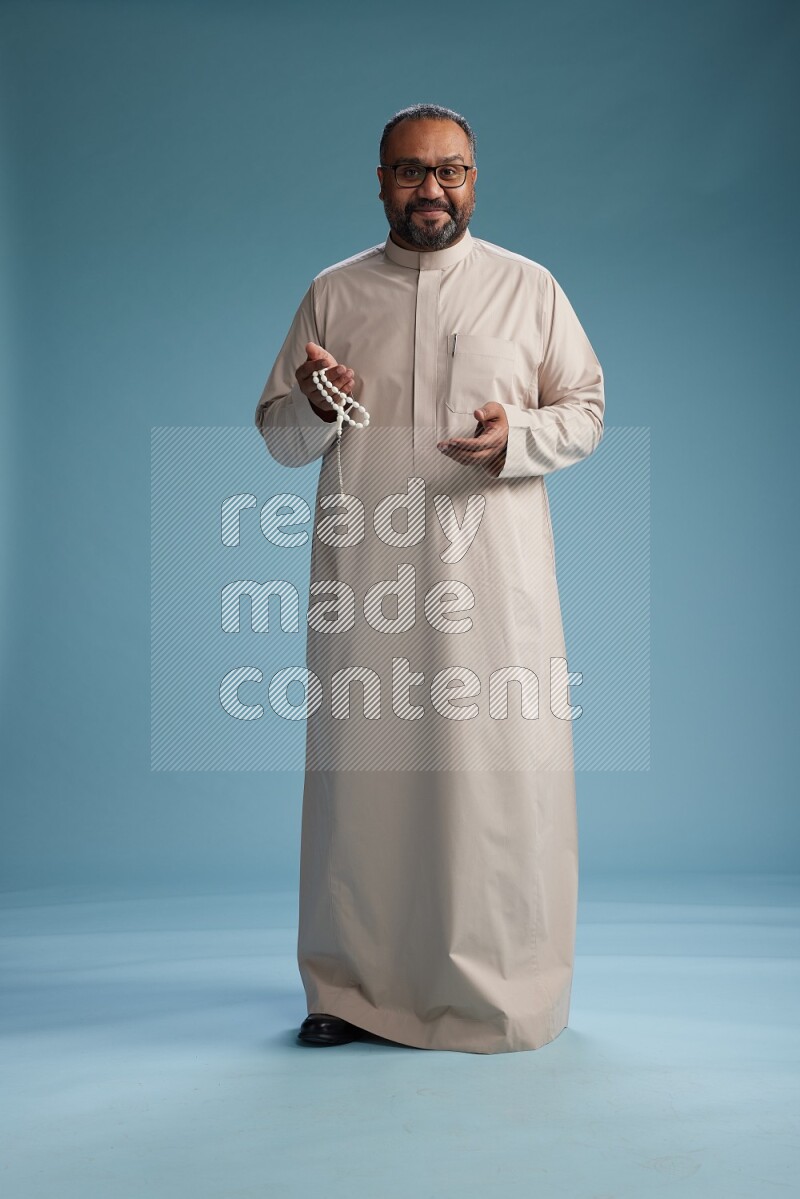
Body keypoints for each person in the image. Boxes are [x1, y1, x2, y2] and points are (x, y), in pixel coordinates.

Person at [254, 103, 605, 1053]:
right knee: (361, 787)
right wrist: (319, 403)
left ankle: (506, 985)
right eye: (410, 172)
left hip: (491, 582)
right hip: (367, 574)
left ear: (476, 180)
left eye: (450, 171)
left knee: (494, 784)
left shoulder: (528, 289)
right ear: (379, 182)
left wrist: (515, 438)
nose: (432, 190)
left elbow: (587, 407)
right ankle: (350, 987)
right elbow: (280, 434)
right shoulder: (334, 293)